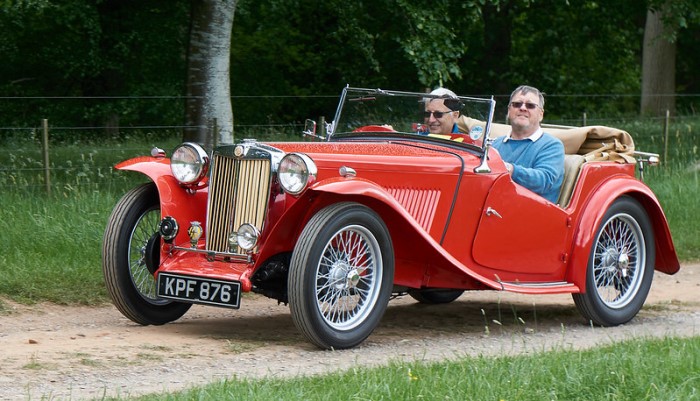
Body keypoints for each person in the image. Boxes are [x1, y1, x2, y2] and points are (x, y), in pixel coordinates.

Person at [492, 85, 564, 203]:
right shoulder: (496, 144)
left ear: (541, 114)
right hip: (492, 209)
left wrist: (510, 170)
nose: (523, 108)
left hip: (533, 214)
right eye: (517, 104)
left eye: (530, 105)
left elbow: (544, 181)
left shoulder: (552, 146)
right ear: (509, 110)